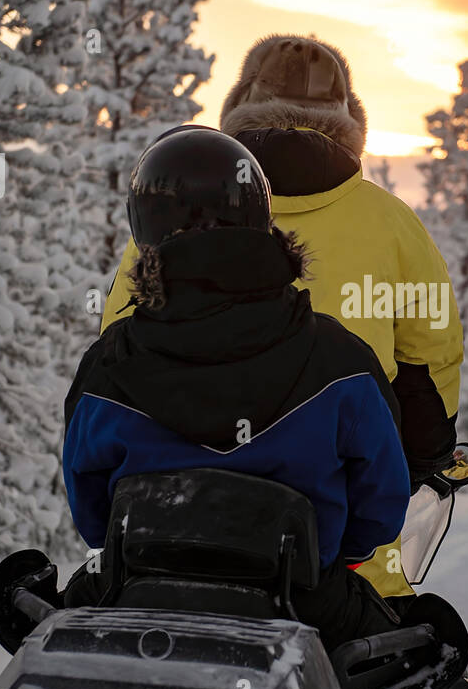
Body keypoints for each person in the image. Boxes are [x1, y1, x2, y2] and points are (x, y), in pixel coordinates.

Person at [101, 35, 463, 600]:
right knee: (405, 653)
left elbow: (117, 347)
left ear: (240, 108)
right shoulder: (390, 223)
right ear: (348, 121)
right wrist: (422, 455)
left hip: (165, 537)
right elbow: (429, 358)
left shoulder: (176, 214)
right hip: (335, 544)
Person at [60, 126, 409, 650]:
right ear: (259, 219)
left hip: (137, 591)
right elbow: (381, 507)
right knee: (421, 664)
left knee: (44, 633)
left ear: (146, 229)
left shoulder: (110, 363)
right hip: (305, 602)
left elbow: (90, 513)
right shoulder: (342, 362)